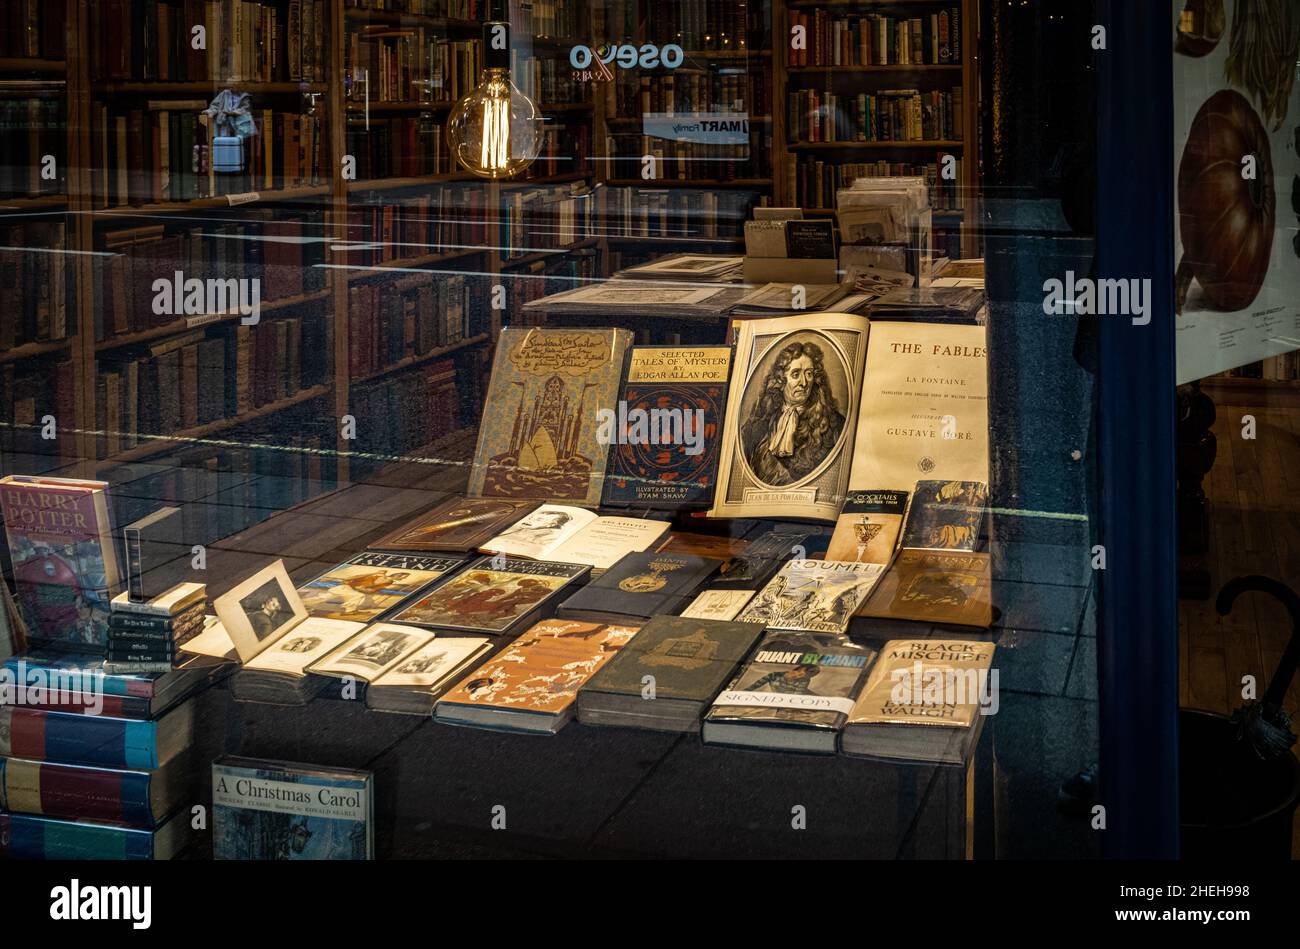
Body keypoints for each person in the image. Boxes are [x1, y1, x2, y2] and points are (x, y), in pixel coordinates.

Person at [741, 340, 845, 486]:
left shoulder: (834, 424)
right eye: (796, 374)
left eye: (809, 374)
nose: (804, 382)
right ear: (781, 379)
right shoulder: (759, 423)